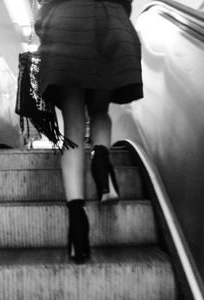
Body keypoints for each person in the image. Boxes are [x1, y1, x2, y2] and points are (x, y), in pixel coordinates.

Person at [34, 0, 143, 264]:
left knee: (72, 128)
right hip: (110, 24)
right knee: (99, 111)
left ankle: (77, 222)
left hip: (67, 27)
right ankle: (102, 159)